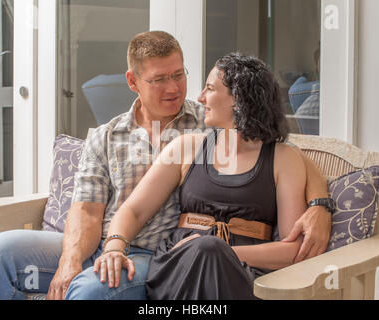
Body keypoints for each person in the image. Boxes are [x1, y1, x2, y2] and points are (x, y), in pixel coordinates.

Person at [0, 31, 330, 300]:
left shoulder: (205, 122)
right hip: (104, 244)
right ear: (133, 82)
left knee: (92, 290)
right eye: (159, 79)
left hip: (155, 255)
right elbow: (89, 211)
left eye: (179, 74)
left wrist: (320, 204)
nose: (175, 88)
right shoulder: (105, 137)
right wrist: (74, 258)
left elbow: (282, 151)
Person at [96, 53, 312, 299]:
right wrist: (114, 247)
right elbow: (134, 210)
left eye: (209, 89)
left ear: (238, 99)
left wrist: (221, 252)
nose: (200, 98)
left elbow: (292, 249)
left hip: (243, 274)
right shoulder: (186, 147)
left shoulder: (284, 158)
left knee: (209, 248)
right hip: (178, 267)